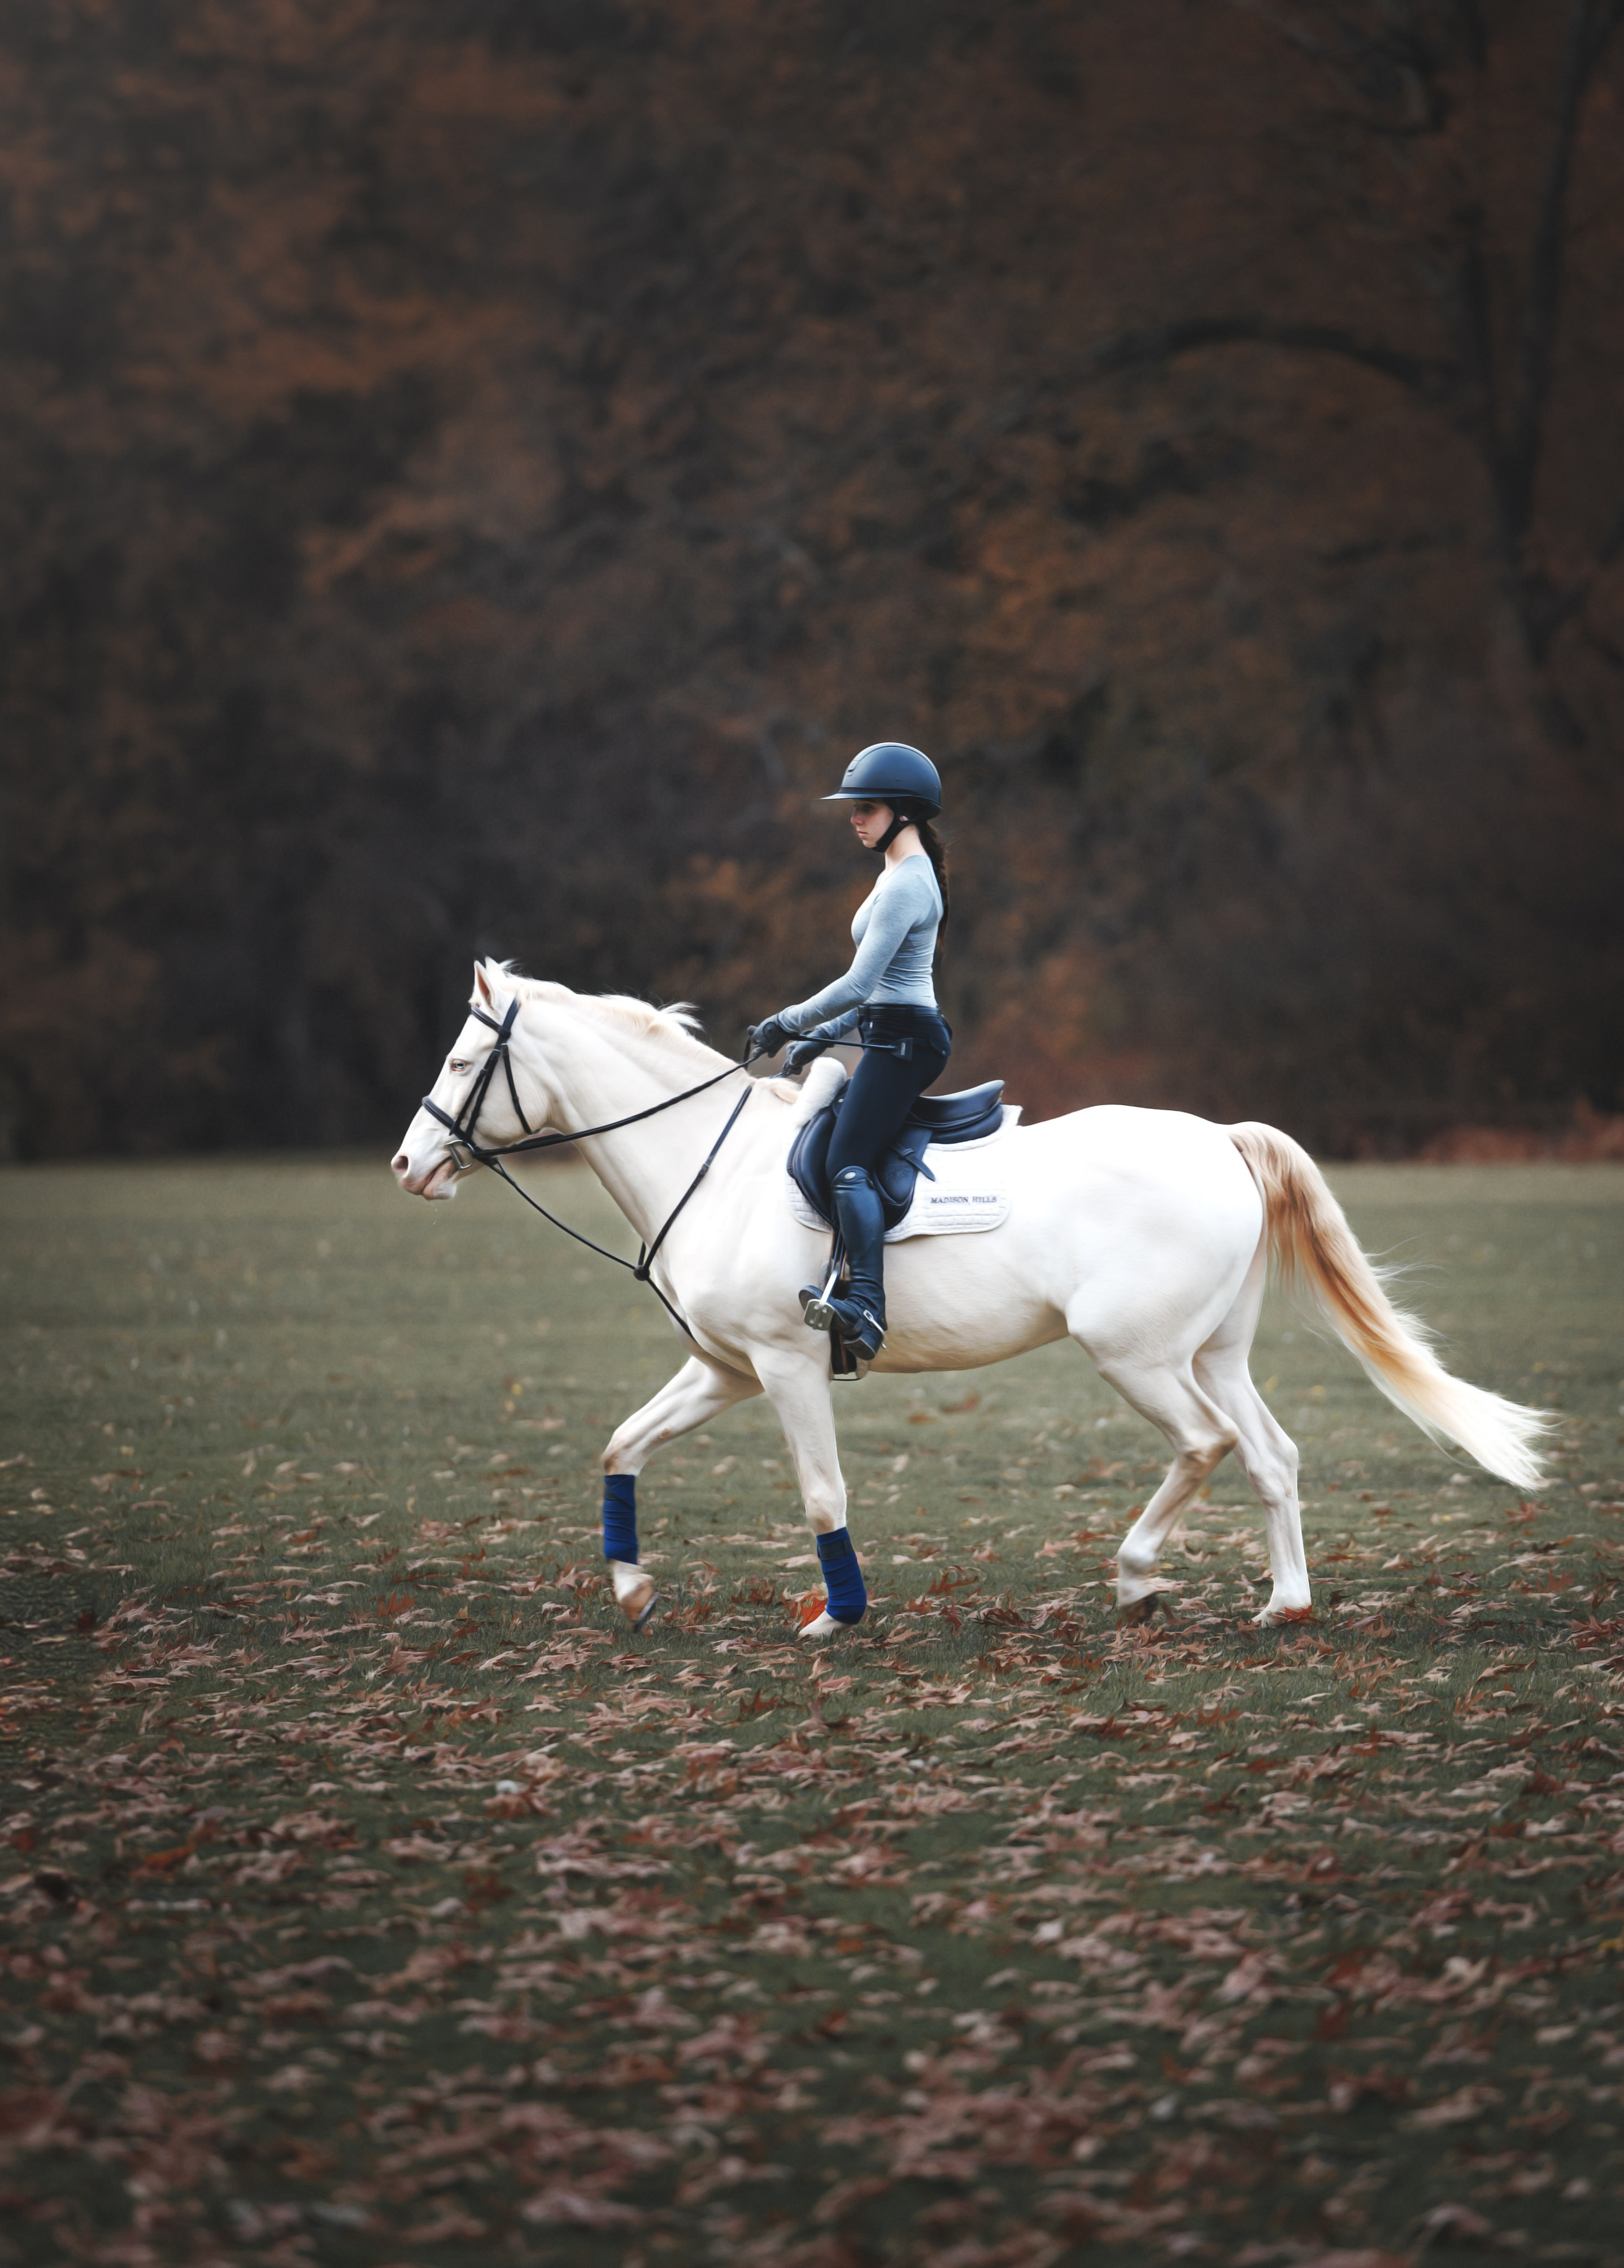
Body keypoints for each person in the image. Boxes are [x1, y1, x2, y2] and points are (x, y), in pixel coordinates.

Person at [749, 743, 952, 1361]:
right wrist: (813, 1037)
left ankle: (866, 1306)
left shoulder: (906, 885)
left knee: (846, 1159)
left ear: (906, 813)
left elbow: (861, 984)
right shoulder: (893, 875)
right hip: (887, 1029)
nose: (853, 817)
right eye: (853, 807)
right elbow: (874, 992)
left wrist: (787, 1019)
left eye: (865, 807)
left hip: (906, 1040)